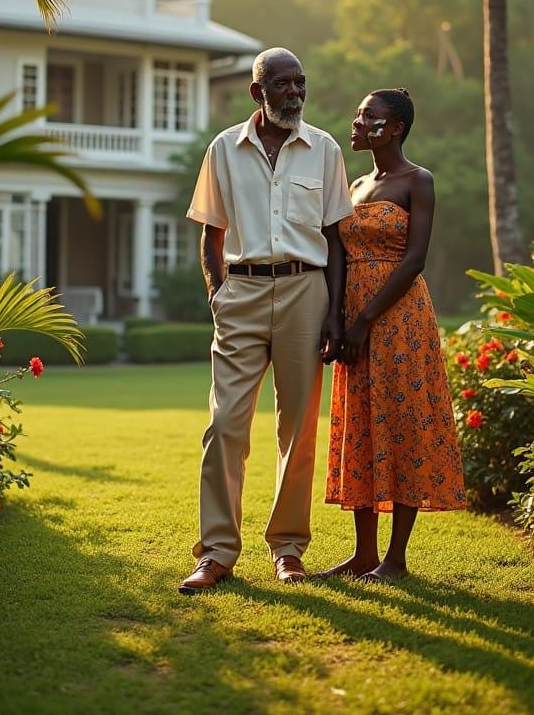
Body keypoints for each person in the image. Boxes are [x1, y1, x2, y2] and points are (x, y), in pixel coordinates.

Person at [179, 47, 354, 594]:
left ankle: (287, 548)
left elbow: (336, 240)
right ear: (258, 92)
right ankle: (216, 552)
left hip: (307, 291)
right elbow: (210, 232)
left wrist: (335, 310)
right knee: (225, 424)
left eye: (301, 83)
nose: (295, 93)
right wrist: (218, 295)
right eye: (282, 84)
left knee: (299, 429)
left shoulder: (323, 149)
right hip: (242, 291)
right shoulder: (223, 150)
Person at [322, 88, 466, 582]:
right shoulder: (355, 183)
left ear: (396, 128)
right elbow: (336, 252)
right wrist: (337, 318)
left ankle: (396, 558)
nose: (357, 122)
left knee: (403, 423)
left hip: (401, 317)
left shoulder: (417, 181)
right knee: (362, 423)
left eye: (369, 116)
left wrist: (366, 320)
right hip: (354, 312)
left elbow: (415, 259)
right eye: (359, 113)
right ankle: (363, 555)